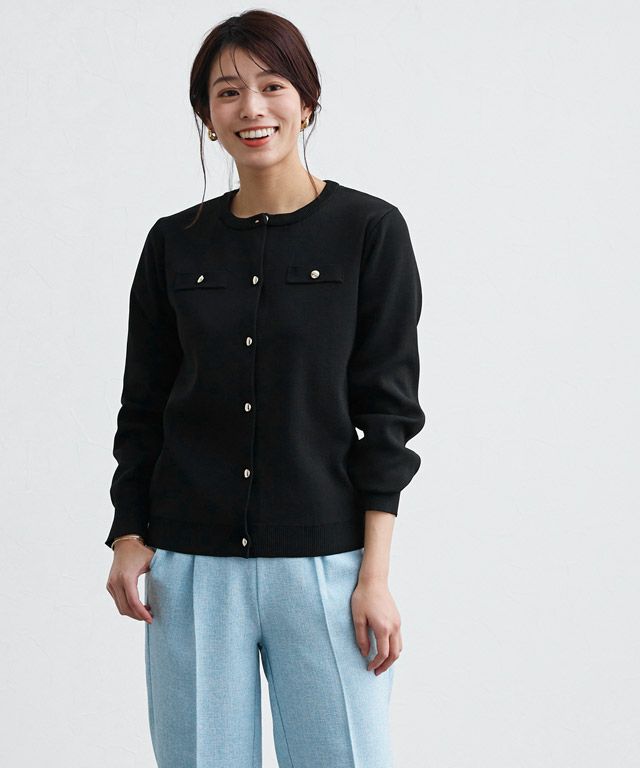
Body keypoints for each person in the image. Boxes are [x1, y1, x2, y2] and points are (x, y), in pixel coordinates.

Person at [105, 10, 425, 768]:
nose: (251, 107)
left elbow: (388, 415)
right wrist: (128, 534)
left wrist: (374, 577)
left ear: (306, 101)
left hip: (325, 561)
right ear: (207, 116)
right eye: (227, 92)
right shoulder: (172, 243)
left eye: (272, 85)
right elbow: (143, 404)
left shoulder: (369, 231)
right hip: (192, 563)